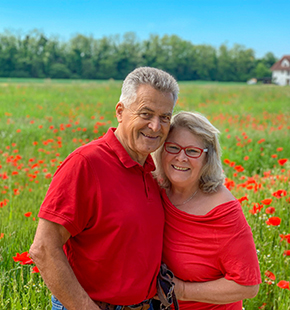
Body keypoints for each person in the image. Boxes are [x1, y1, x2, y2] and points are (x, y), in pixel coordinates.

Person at [29, 67, 179, 310]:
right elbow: (44, 248)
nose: (155, 126)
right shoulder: (85, 163)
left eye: (165, 117)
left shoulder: (154, 170)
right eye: (146, 113)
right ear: (120, 112)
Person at [153, 111, 261, 310]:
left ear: (207, 157)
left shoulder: (223, 212)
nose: (181, 157)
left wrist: (183, 290)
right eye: (173, 147)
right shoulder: (156, 188)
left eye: (192, 151)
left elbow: (248, 285)